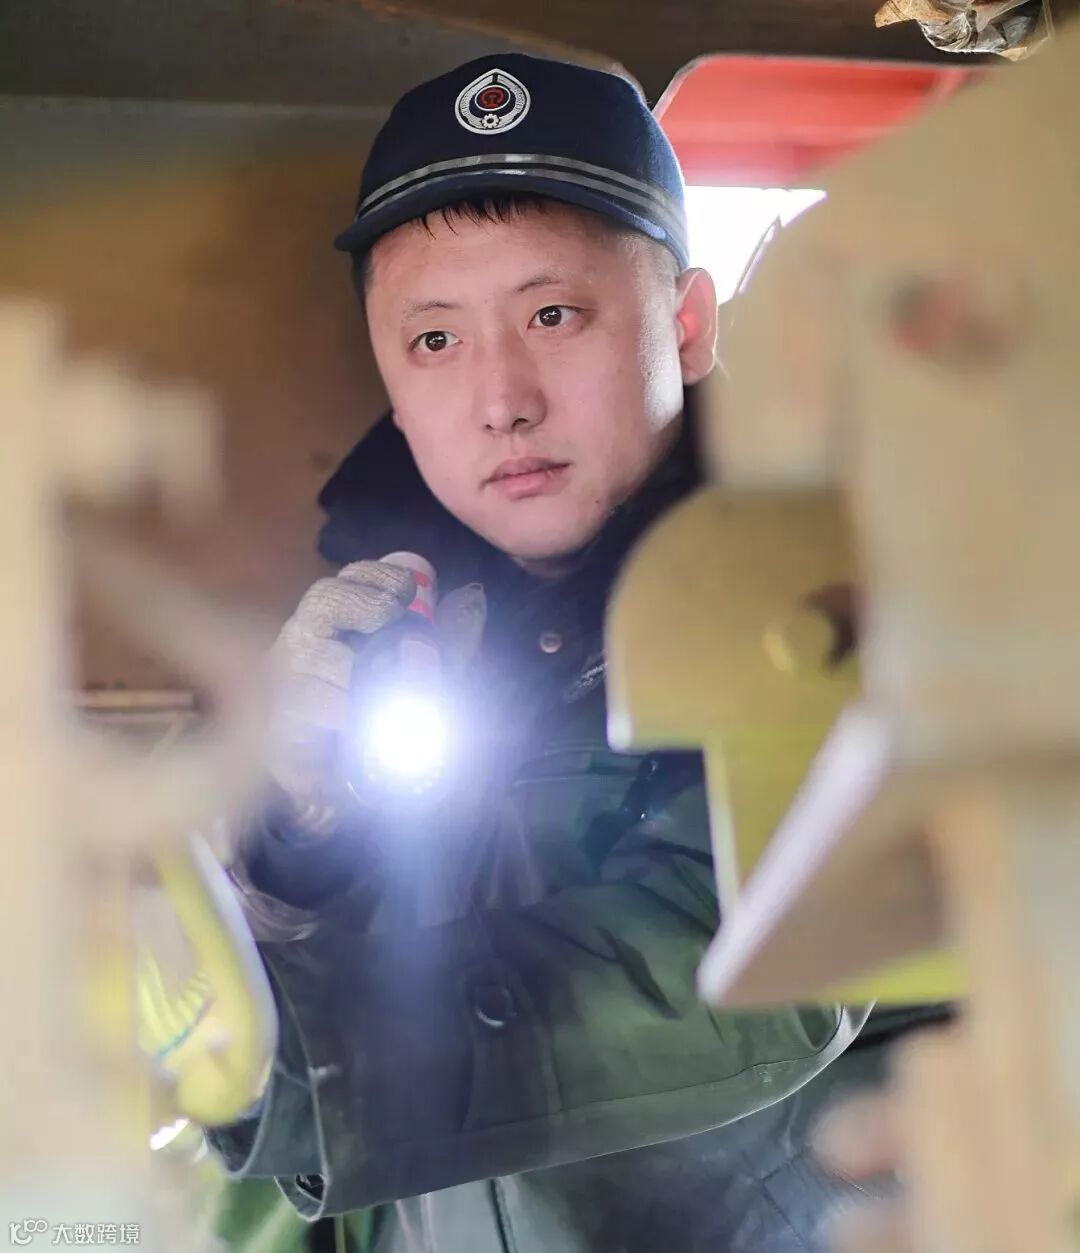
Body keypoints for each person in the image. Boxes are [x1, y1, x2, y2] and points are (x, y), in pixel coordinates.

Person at [207, 51, 929, 1253]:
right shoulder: (387, 618)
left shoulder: (833, 591)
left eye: (553, 315)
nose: (503, 398)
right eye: (434, 340)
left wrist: (291, 1064)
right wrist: (297, 828)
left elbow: (759, 971)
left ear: (685, 326)